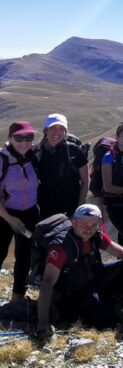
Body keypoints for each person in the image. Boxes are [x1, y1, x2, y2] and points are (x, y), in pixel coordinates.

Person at [37, 204, 123, 335]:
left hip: (93, 279)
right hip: (72, 292)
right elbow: (47, 283)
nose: (88, 229)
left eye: (93, 225)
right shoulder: (61, 247)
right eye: (84, 224)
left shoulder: (96, 237)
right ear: (74, 223)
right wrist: (43, 322)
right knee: (108, 320)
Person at [0, 121, 39, 301]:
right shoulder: (2, 159)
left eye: (29, 137)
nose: (24, 142)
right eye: (19, 137)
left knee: (24, 257)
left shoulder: (33, 156)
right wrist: (9, 218)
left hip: (30, 213)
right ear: (10, 138)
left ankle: (17, 298)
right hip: (4, 214)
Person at [36, 113, 88, 219]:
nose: (57, 132)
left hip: (71, 203)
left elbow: (85, 181)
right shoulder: (38, 151)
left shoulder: (74, 151)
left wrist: (80, 206)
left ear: (65, 131)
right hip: (46, 204)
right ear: (46, 130)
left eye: (61, 128)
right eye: (53, 128)